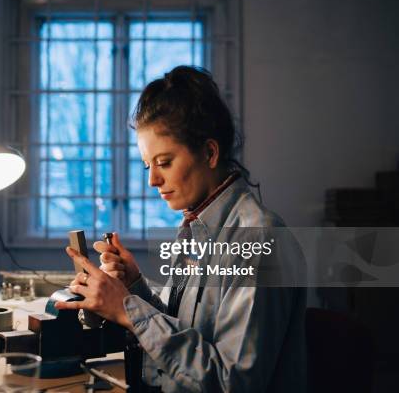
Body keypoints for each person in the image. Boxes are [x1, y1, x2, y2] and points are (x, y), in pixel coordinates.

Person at [55, 66, 306, 392]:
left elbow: (233, 382)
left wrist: (127, 310)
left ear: (209, 152)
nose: (152, 180)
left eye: (164, 162)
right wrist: (133, 288)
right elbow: (186, 334)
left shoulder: (260, 240)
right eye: (148, 165)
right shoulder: (193, 228)